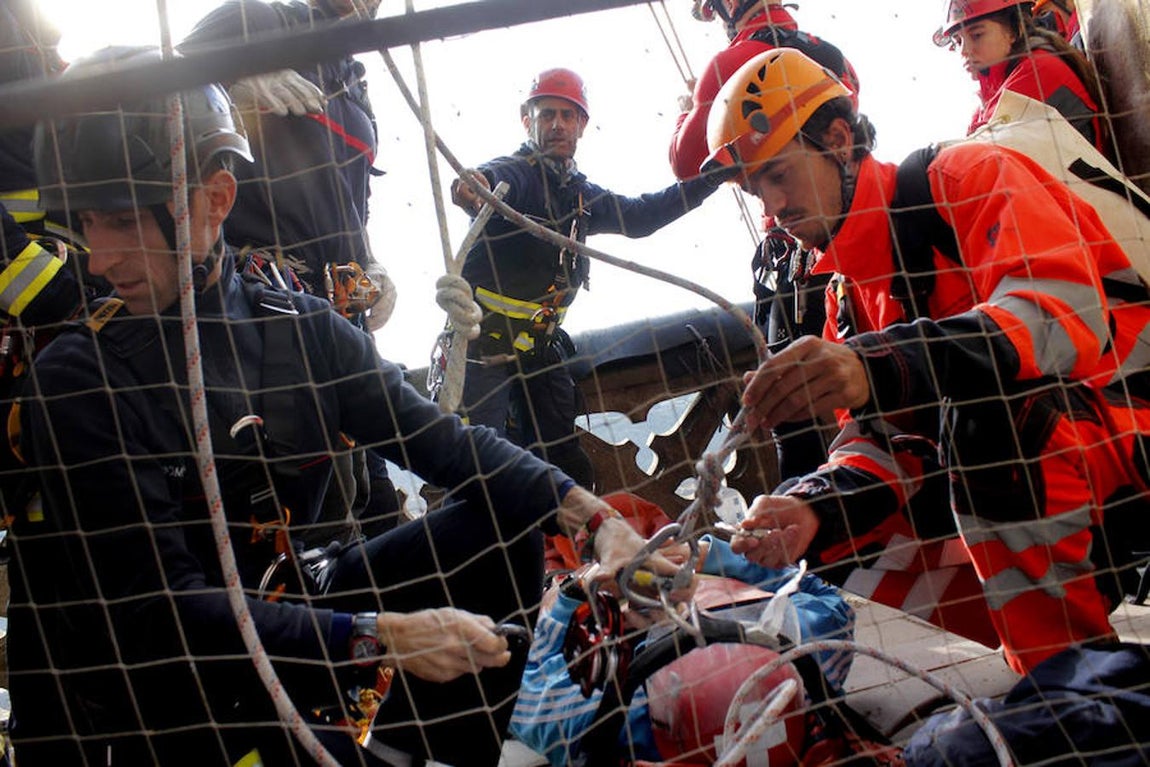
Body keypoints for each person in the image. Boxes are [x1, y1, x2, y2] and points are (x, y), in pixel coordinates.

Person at [9, 46, 678, 767]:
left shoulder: (293, 325)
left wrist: (596, 518)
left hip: (290, 610)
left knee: (510, 513)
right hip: (171, 694)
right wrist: (381, 635)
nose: (97, 259)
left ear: (214, 199)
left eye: (120, 222)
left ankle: (446, 747)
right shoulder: (80, 375)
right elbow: (160, 614)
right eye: (85, 223)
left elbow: (446, 442)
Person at [704, 48, 1150, 676]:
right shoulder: (848, 299)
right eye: (756, 191)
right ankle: (1052, 657)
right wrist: (812, 506)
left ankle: (1070, 683)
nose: (771, 209)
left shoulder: (968, 177)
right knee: (836, 535)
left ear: (838, 140)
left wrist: (880, 367)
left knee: (992, 422)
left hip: (1130, 413)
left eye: (778, 175)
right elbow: (884, 442)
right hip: (1074, 452)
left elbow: (1061, 315)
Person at [181, 0, 402, 542]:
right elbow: (169, 80)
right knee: (313, 497)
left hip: (336, 310)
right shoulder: (262, 19)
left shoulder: (353, 80)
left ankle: (373, 617)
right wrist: (233, 79)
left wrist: (369, 257)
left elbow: (349, 199)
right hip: (269, 303)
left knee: (371, 495)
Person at [450, 67, 723, 490]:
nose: (557, 124)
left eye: (567, 115)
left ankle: (566, 549)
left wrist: (712, 177)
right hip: (482, 353)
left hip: (537, 353)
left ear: (581, 126)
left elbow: (641, 217)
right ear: (528, 121)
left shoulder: (579, 196)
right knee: (481, 471)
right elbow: (481, 183)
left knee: (565, 464)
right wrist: (471, 188)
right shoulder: (517, 176)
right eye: (546, 115)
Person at [509, 493, 855, 766]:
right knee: (638, 523)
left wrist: (574, 589)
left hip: (615, 608)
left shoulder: (601, 725)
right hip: (709, 590)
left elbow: (520, 684)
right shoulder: (811, 660)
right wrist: (709, 554)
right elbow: (826, 597)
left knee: (581, 534)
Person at [670, 0, 860, 479]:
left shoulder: (729, 65)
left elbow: (686, 163)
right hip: (850, 242)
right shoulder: (834, 58)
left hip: (793, 260)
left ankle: (811, 522)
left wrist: (688, 110)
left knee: (788, 410)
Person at [933, 0, 1106, 154]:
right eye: (957, 41)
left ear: (1015, 30)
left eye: (977, 35)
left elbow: (976, 157)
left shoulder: (1038, 69)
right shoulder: (995, 92)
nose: (964, 51)